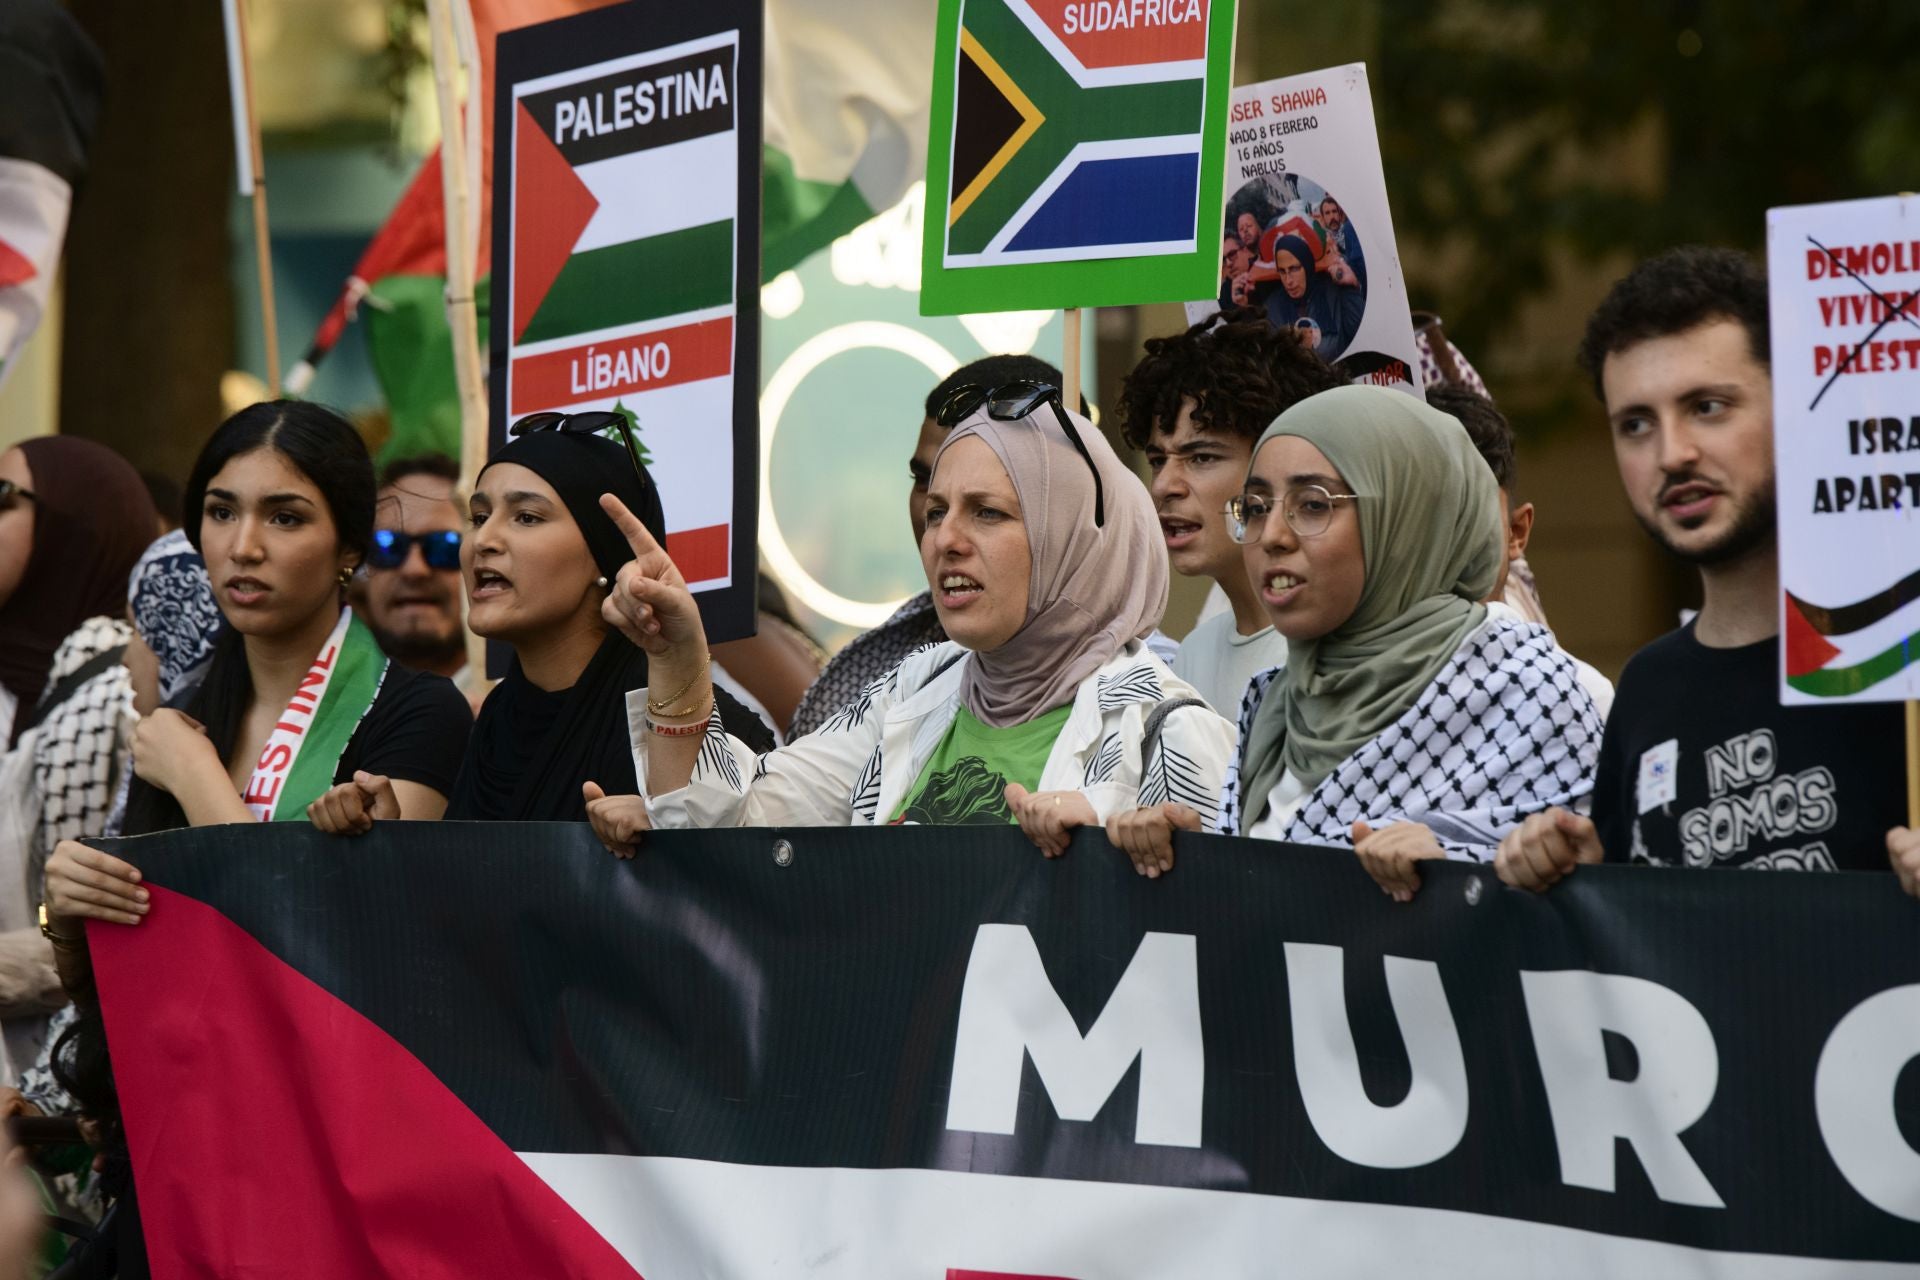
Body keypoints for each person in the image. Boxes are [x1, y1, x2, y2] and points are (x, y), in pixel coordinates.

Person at [587, 386, 1236, 861]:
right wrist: (678, 658)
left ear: (1072, 541)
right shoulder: (916, 690)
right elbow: (734, 819)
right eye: (936, 511)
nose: (944, 539)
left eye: (988, 513)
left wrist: (1121, 853)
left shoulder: (1166, 732)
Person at [1498, 247, 1908, 890]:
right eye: (1635, 424)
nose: (1672, 454)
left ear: (1795, 409)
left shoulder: (1896, 656)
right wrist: (1583, 882)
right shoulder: (1647, 690)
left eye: (1708, 407)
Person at [1106, 385, 1603, 893]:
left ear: (1407, 518)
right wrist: (1200, 854)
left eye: (1314, 505)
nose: (1273, 534)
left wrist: (1457, 872)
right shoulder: (1277, 700)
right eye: (1255, 507)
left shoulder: (1531, 694)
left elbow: (1603, 916)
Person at [438, 417, 773, 825]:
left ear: (604, 553)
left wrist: (662, 823)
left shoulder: (712, 724)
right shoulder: (494, 719)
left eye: (526, 517)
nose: (483, 540)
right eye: (478, 517)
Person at [787, 353, 1065, 739]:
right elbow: (780, 793)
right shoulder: (880, 682)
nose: (942, 530)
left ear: (1072, 499)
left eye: (986, 507)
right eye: (924, 481)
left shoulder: (1140, 699)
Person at [0, 437, 154, 1087]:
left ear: (76, 523)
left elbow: (117, 923)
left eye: (1, 498)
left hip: (59, 1093)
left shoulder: (127, 699)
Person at [1118, 311, 1347, 717]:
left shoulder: (1339, 656)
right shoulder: (1193, 655)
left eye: (1201, 457)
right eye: (1157, 459)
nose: (1163, 486)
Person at [1425, 385, 1614, 717]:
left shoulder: (1582, 697)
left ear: (1516, 533)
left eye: (1470, 516)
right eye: (1421, 517)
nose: (1445, 542)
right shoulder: (1340, 702)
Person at [360, 452, 472, 693]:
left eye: (445, 546)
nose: (414, 569)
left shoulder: (516, 699)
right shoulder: (328, 708)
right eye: (387, 545)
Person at [1261, 232, 1365, 362]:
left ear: (1307, 265)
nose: (1288, 281)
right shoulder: (1272, 307)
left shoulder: (1333, 291)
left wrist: (1351, 286)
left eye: (1294, 269)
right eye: (1282, 271)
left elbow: (1361, 334)